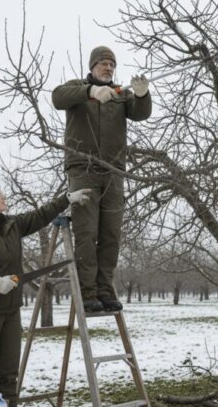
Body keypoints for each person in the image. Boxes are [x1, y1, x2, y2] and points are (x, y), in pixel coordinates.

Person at [0, 181, 90, 407]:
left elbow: (40, 216)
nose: (3, 195)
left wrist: (67, 198)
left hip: (10, 311)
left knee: (8, 377)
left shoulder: (11, 225)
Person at [52, 45, 152, 313]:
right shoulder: (77, 88)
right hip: (83, 169)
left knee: (111, 234)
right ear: (92, 66)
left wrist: (142, 95)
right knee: (86, 233)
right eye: (103, 63)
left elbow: (141, 113)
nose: (108, 67)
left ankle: (105, 289)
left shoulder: (121, 95)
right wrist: (91, 92)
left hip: (113, 171)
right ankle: (87, 293)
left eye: (112, 64)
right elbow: (58, 97)